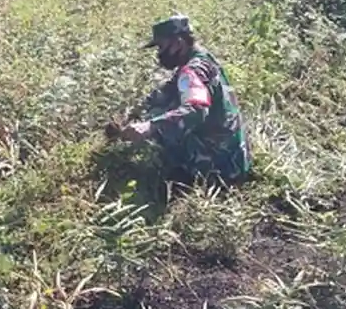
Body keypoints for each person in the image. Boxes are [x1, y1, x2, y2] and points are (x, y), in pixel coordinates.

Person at [107, 14, 251, 187]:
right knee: (160, 111)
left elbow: (196, 110)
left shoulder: (191, 72)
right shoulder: (202, 58)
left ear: (179, 42)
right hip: (235, 156)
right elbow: (164, 92)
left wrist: (150, 127)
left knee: (159, 129)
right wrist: (133, 113)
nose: (159, 53)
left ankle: (165, 183)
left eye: (162, 46)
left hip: (220, 167)